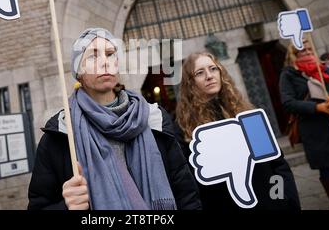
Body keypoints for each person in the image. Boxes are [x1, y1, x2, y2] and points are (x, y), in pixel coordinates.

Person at [27, 28, 201, 210]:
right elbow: (39, 205)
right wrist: (67, 206)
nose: (104, 62)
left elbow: (185, 191)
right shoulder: (61, 134)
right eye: (93, 57)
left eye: (110, 54)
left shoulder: (154, 118)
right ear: (78, 72)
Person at [174, 51, 300, 210]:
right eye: (200, 73)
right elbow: (190, 188)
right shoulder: (186, 130)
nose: (209, 76)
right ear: (190, 83)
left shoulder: (246, 116)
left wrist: (286, 200)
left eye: (213, 69)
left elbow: (277, 166)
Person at [279, 40, 329, 210]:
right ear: (294, 55)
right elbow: (288, 102)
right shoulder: (289, 74)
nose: (307, 53)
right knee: (327, 171)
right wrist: (316, 107)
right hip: (315, 132)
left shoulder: (323, 68)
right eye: (302, 51)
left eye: (309, 50)